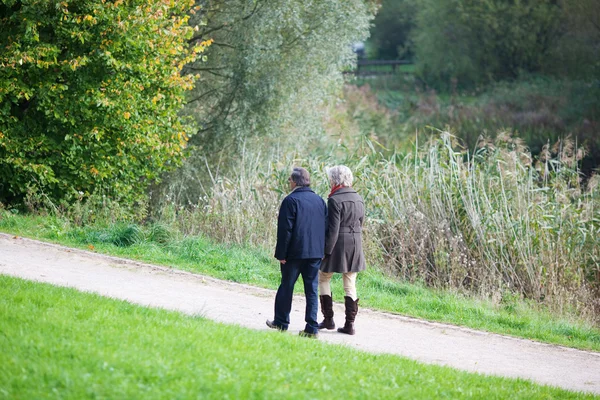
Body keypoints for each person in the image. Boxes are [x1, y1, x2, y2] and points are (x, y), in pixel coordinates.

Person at [266, 167, 327, 338]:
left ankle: (281, 321)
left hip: (294, 253)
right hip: (315, 253)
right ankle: (312, 327)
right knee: (312, 289)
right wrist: (322, 250)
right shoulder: (319, 201)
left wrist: (281, 254)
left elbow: (285, 230)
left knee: (287, 286)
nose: (289, 183)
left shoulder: (290, 200)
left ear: (294, 181)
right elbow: (325, 228)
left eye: (289, 180)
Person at [318, 165, 365, 335]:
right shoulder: (358, 197)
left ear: (335, 180)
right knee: (350, 283)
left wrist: (325, 251)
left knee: (323, 277)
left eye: (331, 178)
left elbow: (333, 230)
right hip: (356, 243)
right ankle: (350, 325)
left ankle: (328, 320)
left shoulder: (334, 199)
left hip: (338, 244)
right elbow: (361, 223)